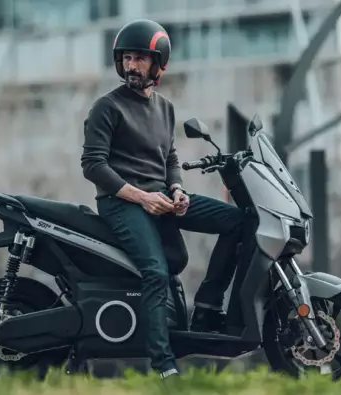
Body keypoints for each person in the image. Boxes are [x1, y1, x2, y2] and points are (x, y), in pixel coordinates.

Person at [80, 19, 244, 380]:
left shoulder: (165, 107)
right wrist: (142, 198)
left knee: (238, 222)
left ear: (158, 64)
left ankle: (207, 306)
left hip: (160, 197)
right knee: (155, 271)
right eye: (126, 58)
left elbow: (168, 158)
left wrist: (177, 190)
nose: (131, 65)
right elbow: (92, 165)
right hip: (120, 201)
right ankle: (164, 366)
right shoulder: (106, 108)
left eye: (140, 58)